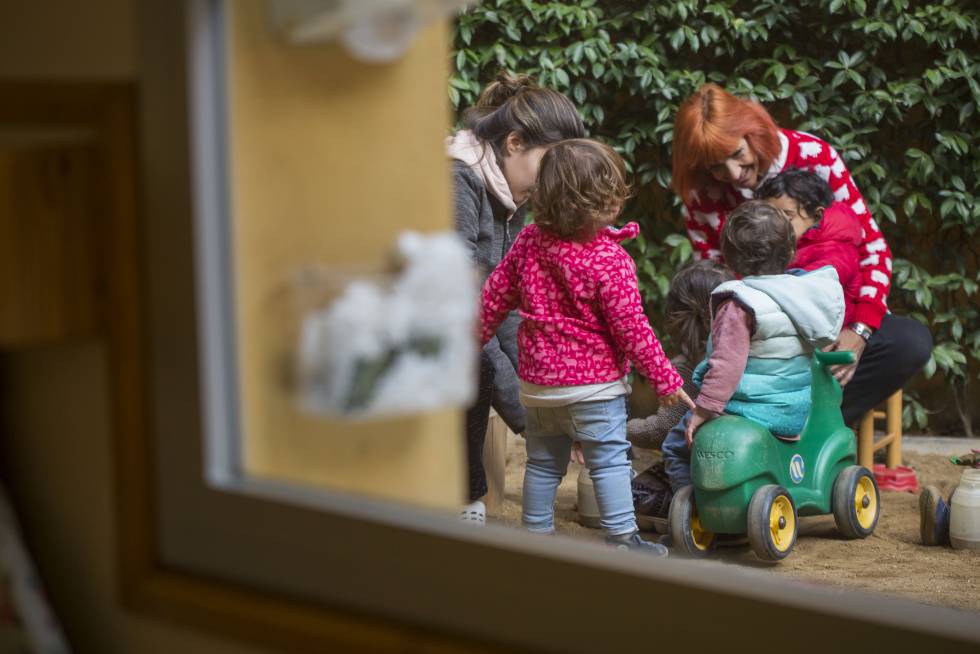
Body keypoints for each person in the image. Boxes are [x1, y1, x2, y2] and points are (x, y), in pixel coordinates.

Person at [671, 83, 931, 426]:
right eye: (717, 167)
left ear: (753, 133)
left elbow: (872, 249)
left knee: (909, 342)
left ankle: (815, 426)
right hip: (761, 334)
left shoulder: (813, 156)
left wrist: (861, 330)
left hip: (834, 320)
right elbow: (714, 282)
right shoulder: (702, 196)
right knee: (695, 361)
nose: (733, 174)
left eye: (736, 154)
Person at [479, 139, 693, 554]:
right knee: (611, 461)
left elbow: (494, 297)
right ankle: (623, 540)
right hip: (594, 388)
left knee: (542, 463)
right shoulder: (610, 260)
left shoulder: (528, 243)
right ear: (603, 204)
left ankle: (535, 537)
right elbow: (633, 328)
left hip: (539, 388)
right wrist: (665, 380)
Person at [448, 73, 585, 524]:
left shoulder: (509, 194)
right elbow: (465, 311)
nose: (553, 183)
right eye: (550, 163)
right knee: (476, 364)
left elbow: (503, 309)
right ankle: (465, 496)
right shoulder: (458, 179)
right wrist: (532, 421)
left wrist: (546, 406)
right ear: (512, 143)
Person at [661, 201, 845, 491]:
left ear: (729, 261)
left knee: (675, 444)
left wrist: (704, 410)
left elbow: (726, 365)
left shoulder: (739, 303)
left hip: (749, 408)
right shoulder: (804, 295)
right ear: (791, 251)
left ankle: (693, 504)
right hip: (794, 410)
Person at [627, 261, 733, 523]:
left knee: (630, 492)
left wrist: (617, 429)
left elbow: (660, 430)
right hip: (749, 463)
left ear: (675, 315)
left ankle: (693, 515)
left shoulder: (686, 369)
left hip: (708, 471)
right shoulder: (742, 357)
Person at [756, 168, 863, 325]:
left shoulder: (837, 251)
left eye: (786, 216)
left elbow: (803, 292)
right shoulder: (784, 245)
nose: (774, 224)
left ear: (817, 215)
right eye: (770, 216)